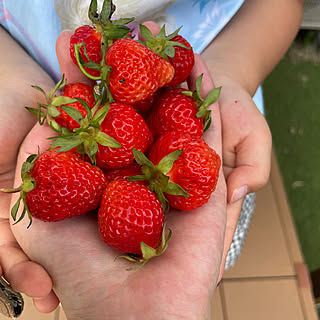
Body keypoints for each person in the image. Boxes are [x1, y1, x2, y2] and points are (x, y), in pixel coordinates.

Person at [0, 0, 304, 319]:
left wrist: (230, 73)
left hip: (194, 96)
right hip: (63, 104)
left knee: (215, 229)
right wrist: (11, 76)